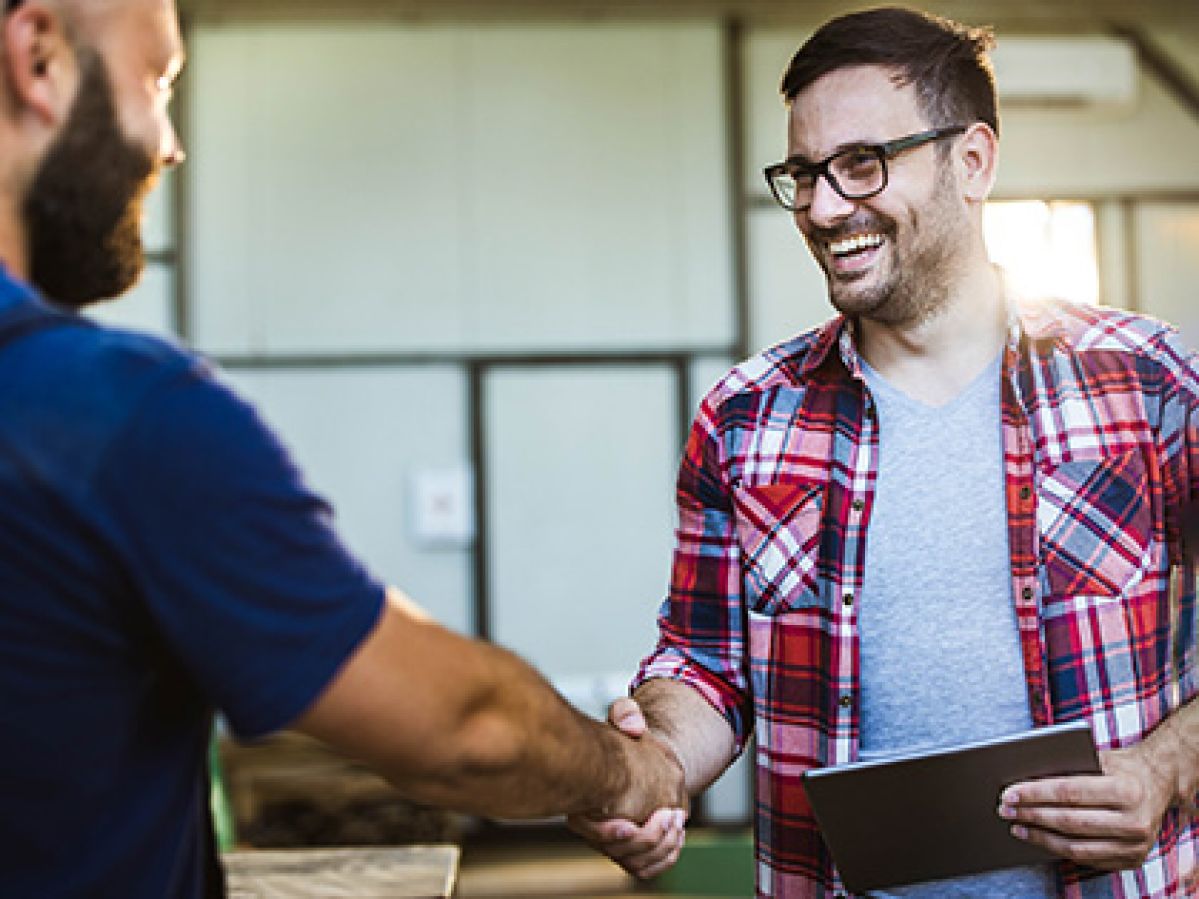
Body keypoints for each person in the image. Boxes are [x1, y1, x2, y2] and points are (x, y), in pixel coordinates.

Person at [0, 0, 687, 895]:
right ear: (39, 56)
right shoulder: (113, 414)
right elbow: (461, 728)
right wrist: (634, 772)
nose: (170, 144)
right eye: (157, 82)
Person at [571, 7, 1199, 898]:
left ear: (972, 160)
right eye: (804, 174)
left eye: (861, 165)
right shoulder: (746, 418)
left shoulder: (1154, 389)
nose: (824, 208)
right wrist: (651, 764)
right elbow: (703, 661)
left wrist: (1165, 767)